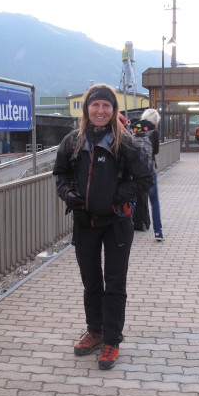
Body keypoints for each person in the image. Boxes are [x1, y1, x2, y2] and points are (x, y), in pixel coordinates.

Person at [53, 84, 153, 370]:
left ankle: (112, 339)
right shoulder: (72, 141)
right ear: (87, 109)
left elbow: (145, 179)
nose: (100, 111)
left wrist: (113, 197)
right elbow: (60, 174)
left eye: (106, 106)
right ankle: (95, 331)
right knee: (91, 282)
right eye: (95, 105)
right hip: (85, 222)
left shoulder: (126, 143)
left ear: (113, 110)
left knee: (115, 283)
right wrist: (68, 193)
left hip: (117, 223)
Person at [133, 109, 164, 241]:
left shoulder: (133, 129)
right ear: (156, 120)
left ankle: (127, 231)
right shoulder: (154, 132)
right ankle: (158, 232)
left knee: (132, 201)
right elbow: (155, 151)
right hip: (148, 170)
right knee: (154, 202)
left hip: (134, 171)